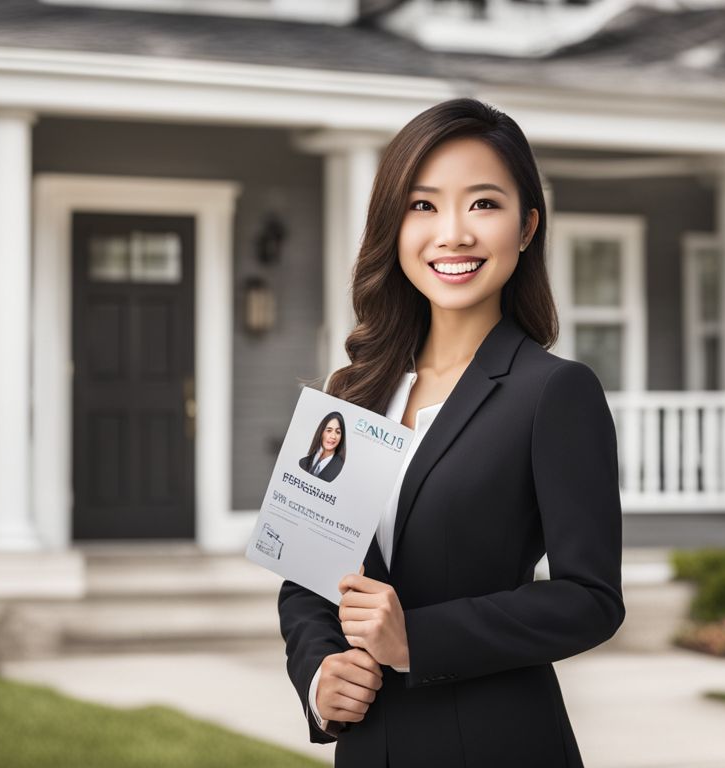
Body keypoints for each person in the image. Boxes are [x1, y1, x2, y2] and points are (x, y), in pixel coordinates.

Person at [277, 97, 624, 768]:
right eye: (424, 205)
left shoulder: (555, 391)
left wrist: (417, 640)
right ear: (393, 225)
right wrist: (321, 677)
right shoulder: (351, 392)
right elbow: (305, 576)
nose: (454, 234)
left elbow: (592, 599)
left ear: (527, 227)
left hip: (497, 743)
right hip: (370, 747)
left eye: (484, 204)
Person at [299, 411, 347, 483]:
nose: (333, 436)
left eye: (338, 432)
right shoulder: (303, 462)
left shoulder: (340, 468)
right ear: (321, 432)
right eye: (329, 430)